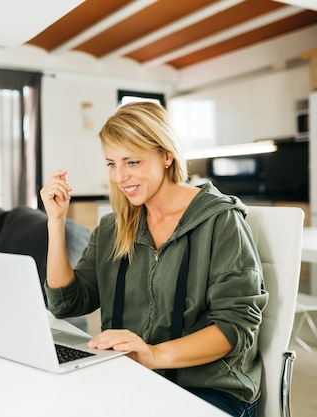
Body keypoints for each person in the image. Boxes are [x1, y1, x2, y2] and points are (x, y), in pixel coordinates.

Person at [39, 101, 268, 417]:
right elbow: (67, 303)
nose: (120, 176)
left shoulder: (220, 222)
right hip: (130, 378)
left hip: (212, 389)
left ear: (166, 155)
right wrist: (55, 222)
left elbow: (236, 328)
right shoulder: (114, 226)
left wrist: (153, 355)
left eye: (132, 162)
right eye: (111, 163)